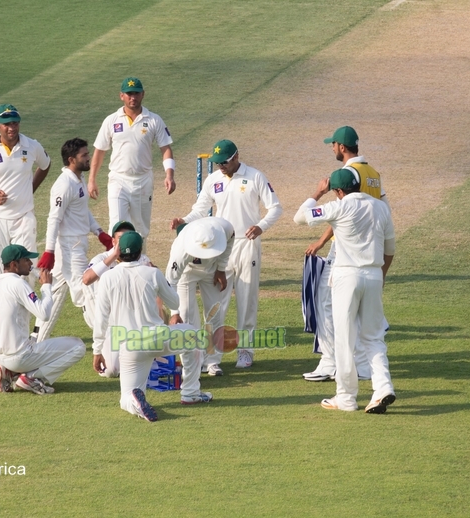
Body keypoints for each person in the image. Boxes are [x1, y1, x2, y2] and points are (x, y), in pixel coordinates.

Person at [170, 139, 282, 368]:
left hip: (247, 243)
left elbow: (275, 208)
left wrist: (261, 226)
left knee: (247, 298)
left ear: (236, 157)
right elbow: (200, 210)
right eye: (217, 162)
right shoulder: (213, 180)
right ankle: (210, 356)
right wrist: (184, 220)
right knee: (217, 304)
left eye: (224, 162)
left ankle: (245, 350)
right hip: (220, 247)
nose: (220, 166)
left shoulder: (255, 176)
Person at [294, 169, 396, 413]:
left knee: (344, 339)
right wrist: (380, 276)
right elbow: (390, 248)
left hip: (346, 277)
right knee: (373, 337)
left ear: (338, 191)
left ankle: (346, 398)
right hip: (373, 275)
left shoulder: (338, 207)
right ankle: (383, 387)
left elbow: (300, 217)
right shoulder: (381, 207)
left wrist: (318, 192)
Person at [93, 231, 212, 421]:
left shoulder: (108, 278)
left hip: (130, 347)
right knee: (193, 336)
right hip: (160, 340)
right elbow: (174, 303)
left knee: (125, 399)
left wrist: (97, 350)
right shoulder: (152, 273)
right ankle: (190, 392)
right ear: (141, 251)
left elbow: (100, 319)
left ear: (118, 252)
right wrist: (158, 282)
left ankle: (134, 401)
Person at [301, 126, 390, 382]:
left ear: (341, 146)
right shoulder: (373, 173)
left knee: (327, 304)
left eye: (333, 145)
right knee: (360, 311)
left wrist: (321, 240)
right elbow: (381, 208)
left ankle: (331, 361)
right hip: (370, 247)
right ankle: (360, 364)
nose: (332, 148)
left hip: (347, 249)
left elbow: (344, 211)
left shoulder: (348, 173)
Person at [33, 138, 113, 339]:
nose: (88, 158)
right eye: (84, 155)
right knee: (86, 292)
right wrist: (49, 251)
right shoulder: (63, 185)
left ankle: (35, 341)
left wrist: (99, 232)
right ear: (71, 159)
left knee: (55, 292)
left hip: (76, 245)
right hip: (69, 247)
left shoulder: (78, 179)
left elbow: (81, 211)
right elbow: (54, 219)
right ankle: (106, 340)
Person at [0, 244, 85, 395]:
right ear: (14, 265)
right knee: (78, 347)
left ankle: (9, 372)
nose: (31, 264)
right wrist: (46, 286)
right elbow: (44, 314)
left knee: (33, 344)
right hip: (19, 356)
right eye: (26, 260)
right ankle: (31, 377)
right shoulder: (18, 284)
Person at [0, 104, 51, 283]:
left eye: (15, 123)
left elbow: (45, 165)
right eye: (6, 124)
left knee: (27, 268)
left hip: (23, 218)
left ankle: (26, 309)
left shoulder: (32, 145)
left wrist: (30, 188)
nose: (12, 127)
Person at [87, 77, 175, 242]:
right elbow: (99, 152)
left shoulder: (154, 120)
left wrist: (169, 175)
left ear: (143, 94)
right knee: (117, 227)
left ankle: (140, 263)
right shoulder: (111, 121)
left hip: (143, 180)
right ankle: (116, 266)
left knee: (140, 230)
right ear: (122, 96)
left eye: (136, 93)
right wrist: (92, 180)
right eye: (129, 94)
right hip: (118, 179)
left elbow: (166, 149)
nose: (132, 97)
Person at [79, 220, 155, 377]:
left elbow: (157, 282)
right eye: (120, 238)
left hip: (131, 320)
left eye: (129, 237)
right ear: (113, 241)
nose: (124, 242)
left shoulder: (141, 259)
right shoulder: (101, 258)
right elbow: (86, 279)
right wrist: (113, 256)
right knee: (111, 370)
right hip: (106, 324)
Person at [165, 217, 235, 376]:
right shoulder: (180, 250)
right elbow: (171, 282)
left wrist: (221, 268)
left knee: (215, 313)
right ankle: (192, 364)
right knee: (187, 317)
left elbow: (230, 243)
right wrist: (174, 313)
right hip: (186, 273)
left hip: (211, 270)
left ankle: (212, 361)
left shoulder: (226, 228)